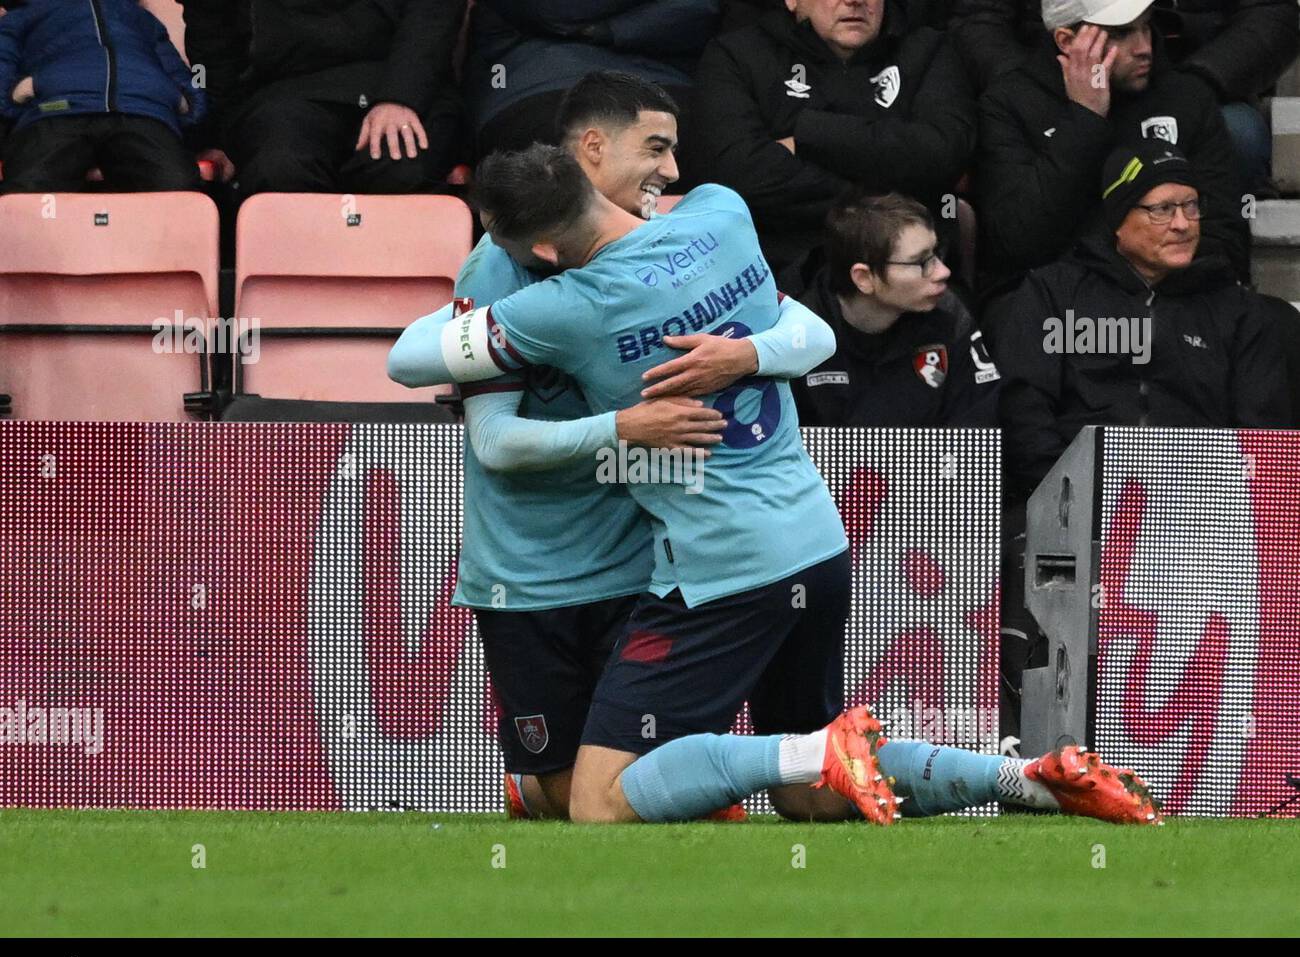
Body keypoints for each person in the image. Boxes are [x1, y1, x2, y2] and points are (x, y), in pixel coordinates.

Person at [401, 142, 1165, 827]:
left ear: (540, 247)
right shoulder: (723, 214)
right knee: (813, 795)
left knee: (600, 800)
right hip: (814, 540)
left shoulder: (561, 308)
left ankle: (814, 753)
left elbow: (409, 360)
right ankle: (1024, 774)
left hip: (722, 564)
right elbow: (810, 331)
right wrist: (751, 352)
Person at [389, 72, 835, 820]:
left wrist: (746, 354)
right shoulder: (504, 271)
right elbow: (490, 437)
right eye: (655, 148)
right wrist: (624, 429)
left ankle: (837, 762)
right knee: (578, 796)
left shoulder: (689, 234)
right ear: (593, 149)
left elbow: (813, 332)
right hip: (534, 575)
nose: (670, 171)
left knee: (645, 791)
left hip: (638, 562)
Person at [989, 138, 1293, 737]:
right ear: (1118, 220)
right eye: (1161, 209)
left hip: (1201, 521)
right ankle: (1029, 750)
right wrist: (1076, 505)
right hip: (1072, 509)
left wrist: (1190, 512)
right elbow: (1025, 411)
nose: (1182, 224)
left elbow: (1263, 440)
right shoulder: (1053, 295)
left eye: (1192, 207)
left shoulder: (1239, 313)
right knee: (1027, 564)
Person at [687, 0, 976, 289]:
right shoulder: (737, 55)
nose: (855, 1)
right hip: (780, 281)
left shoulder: (929, 50)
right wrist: (895, 190)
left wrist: (810, 134)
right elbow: (737, 176)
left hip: (913, 279)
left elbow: (944, 155)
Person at [976, 0, 1249, 303]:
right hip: (1061, 309)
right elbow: (1019, 243)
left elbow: (1225, 235)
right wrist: (1084, 120)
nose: (1144, 47)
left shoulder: (1187, 98)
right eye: (1120, 33)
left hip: (1176, 301)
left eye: (1147, 26)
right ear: (1067, 41)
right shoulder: (1008, 106)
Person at [955, 0, 1298, 190]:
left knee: (1237, 132)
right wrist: (1035, 89)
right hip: (1050, 80)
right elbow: (979, 20)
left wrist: (1195, 85)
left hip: (1197, 73)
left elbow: (1272, 13)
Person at [178, 0, 463, 193]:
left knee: (400, 167)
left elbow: (433, 13)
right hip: (282, 95)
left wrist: (400, 97)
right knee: (278, 169)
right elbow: (212, 38)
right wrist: (217, 133)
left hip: (400, 84)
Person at [793, 191, 1001, 428]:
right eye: (922, 262)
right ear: (864, 278)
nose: (943, 272)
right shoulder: (795, 337)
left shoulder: (951, 317)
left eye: (936, 253)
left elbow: (976, 440)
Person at [465, 1, 718, 159]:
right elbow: (553, 8)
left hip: (664, 83)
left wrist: (610, 30)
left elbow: (702, 9)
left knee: (722, 153)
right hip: (536, 86)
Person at [0, 0, 205, 192]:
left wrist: (184, 101)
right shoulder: (24, 15)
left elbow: (189, 76)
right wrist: (22, 92)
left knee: (180, 189)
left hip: (143, 110)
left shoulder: (143, 19)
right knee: (27, 195)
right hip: (55, 108)